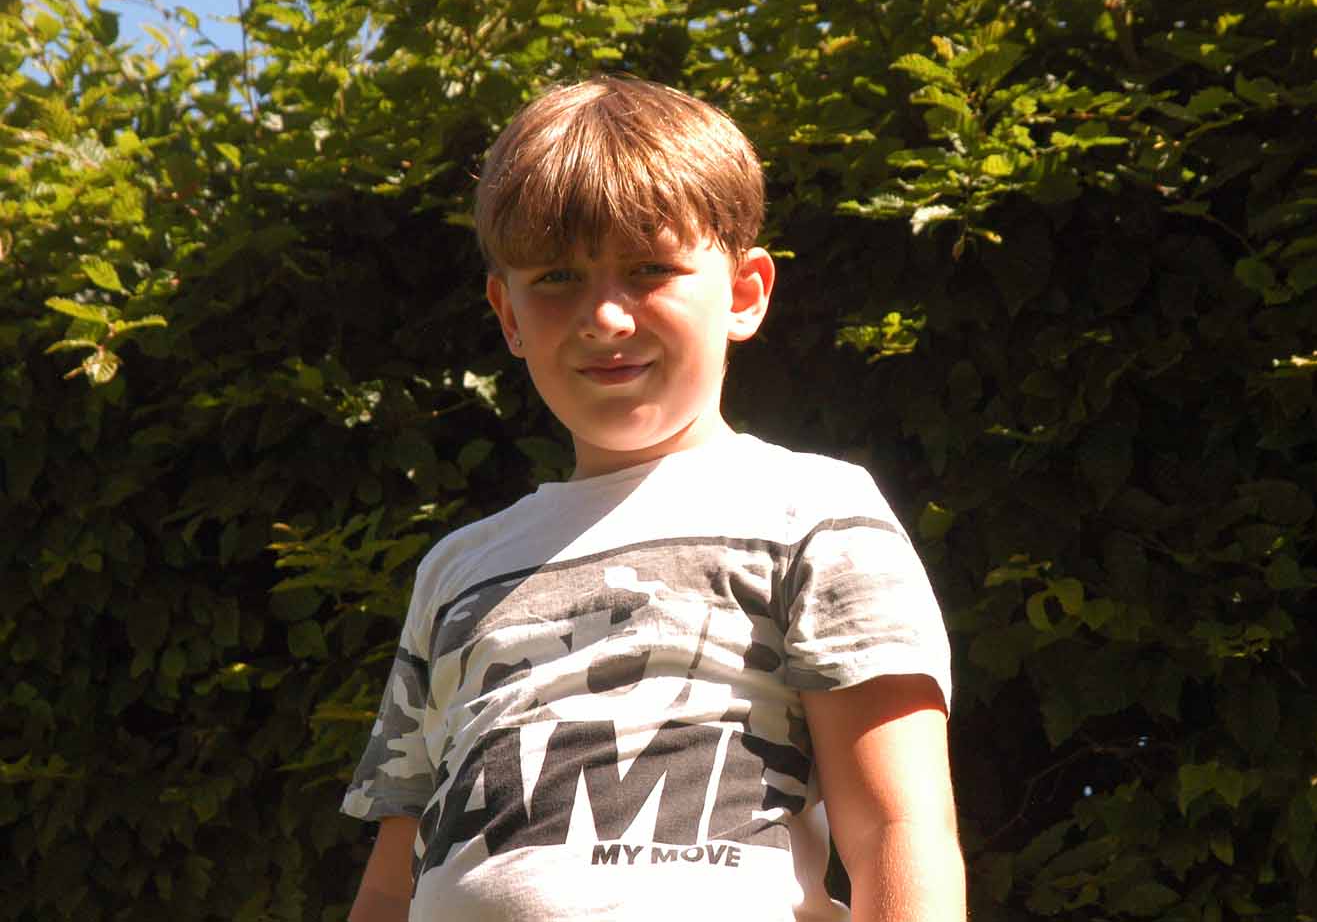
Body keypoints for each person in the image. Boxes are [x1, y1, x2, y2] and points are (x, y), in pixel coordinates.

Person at [342, 75, 966, 922]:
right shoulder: (456, 569)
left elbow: (897, 825)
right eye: (556, 277)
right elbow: (392, 880)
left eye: (649, 270)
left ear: (743, 293)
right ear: (507, 314)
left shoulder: (810, 512)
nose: (603, 316)